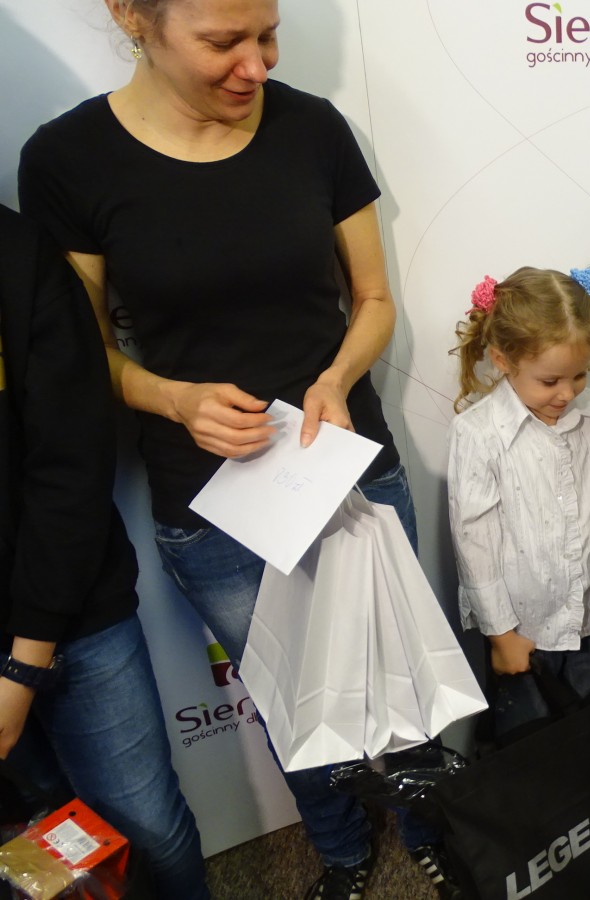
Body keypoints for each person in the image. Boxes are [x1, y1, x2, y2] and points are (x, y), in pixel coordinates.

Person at [16, 2, 444, 897]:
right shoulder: (67, 159)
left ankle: (437, 834)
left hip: (349, 467)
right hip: (210, 502)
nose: (257, 65)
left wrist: (338, 376)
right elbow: (79, 353)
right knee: (293, 705)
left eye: (269, 34)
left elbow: (373, 301)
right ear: (133, 17)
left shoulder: (313, 128)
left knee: (402, 674)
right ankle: (341, 851)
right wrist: (174, 399)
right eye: (222, 42)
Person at [0, 203, 208, 898]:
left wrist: (22, 667)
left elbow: (71, 461)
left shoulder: (16, 251)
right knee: (37, 846)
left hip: (73, 614)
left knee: (146, 830)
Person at [448, 266, 590, 736]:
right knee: (531, 747)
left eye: (580, 375)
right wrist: (500, 635)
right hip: (526, 634)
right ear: (503, 360)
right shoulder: (478, 433)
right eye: (550, 381)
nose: (566, 393)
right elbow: (475, 542)